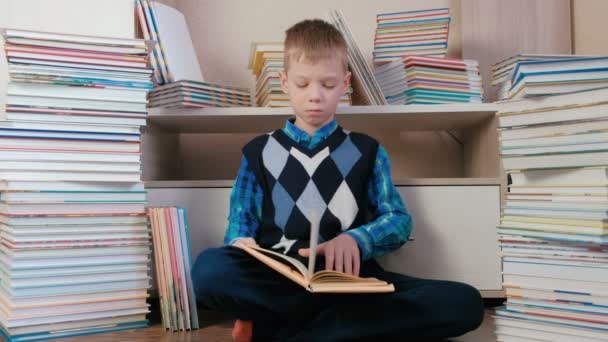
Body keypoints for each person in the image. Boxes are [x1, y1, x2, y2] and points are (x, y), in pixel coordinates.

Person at [191, 18, 484, 342]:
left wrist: (358, 240)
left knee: (466, 302)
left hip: (351, 283)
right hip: (279, 281)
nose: (315, 96)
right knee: (208, 269)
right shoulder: (259, 152)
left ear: (345, 84)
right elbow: (240, 219)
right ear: (284, 82)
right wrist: (239, 241)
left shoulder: (367, 150)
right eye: (303, 84)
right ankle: (332, 328)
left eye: (327, 85)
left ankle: (286, 327)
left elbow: (397, 220)